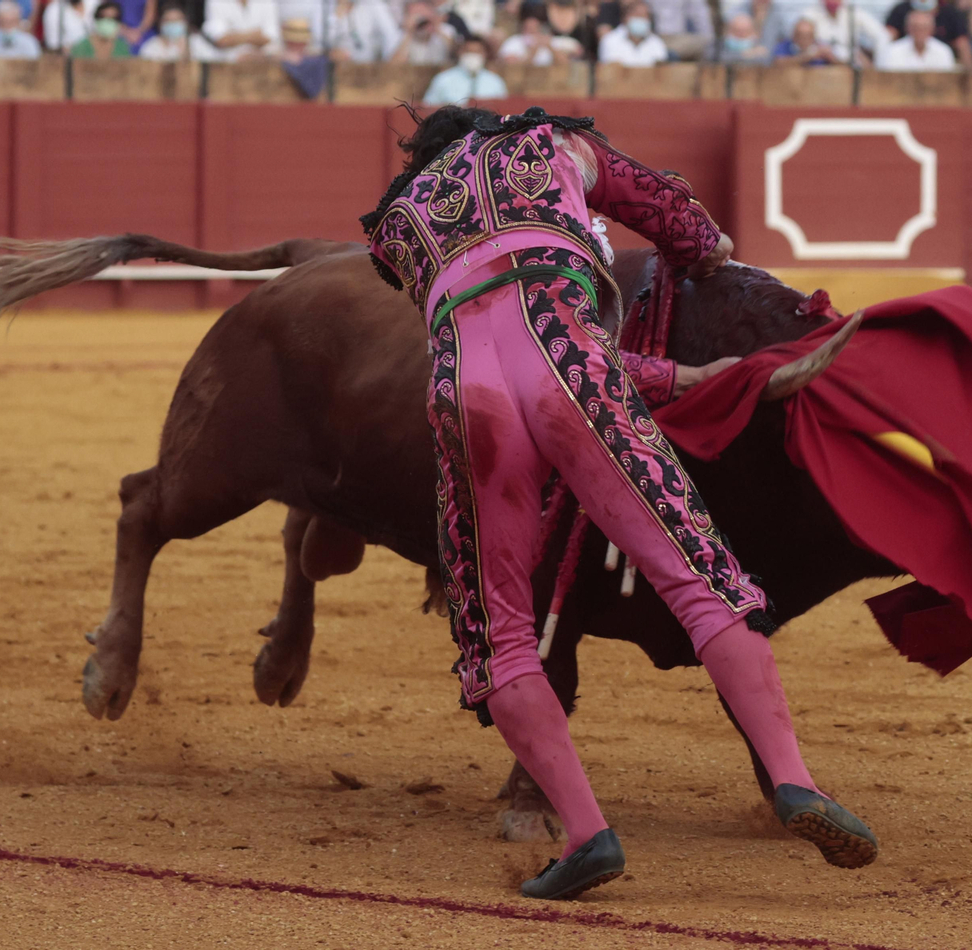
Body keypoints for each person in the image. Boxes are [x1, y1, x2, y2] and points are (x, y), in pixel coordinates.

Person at [361, 105, 879, 900]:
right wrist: (705, 251)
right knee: (699, 579)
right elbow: (664, 215)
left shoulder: (398, 218)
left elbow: (478, 319)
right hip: (574, 367)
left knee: (501, 635)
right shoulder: (550, 143)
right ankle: (792, 781)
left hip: (463, 396)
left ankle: (586, 835)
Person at [883, 0, 972, 65]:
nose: (919, 32)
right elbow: (887, 37)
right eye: (916, 27)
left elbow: (962, 43)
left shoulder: (943, 51)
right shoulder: (900, 9)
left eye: (923, 28)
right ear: (908, 28)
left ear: (932, 29)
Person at [800, 0, 891, 63]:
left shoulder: (854, 13)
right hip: (817, 65)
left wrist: (878, 64)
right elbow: (801, 43)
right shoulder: (810, 14)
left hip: (849, 65)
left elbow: (881, 35)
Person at [421, 35, 507, 101]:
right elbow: (428, 109)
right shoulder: (443, 80)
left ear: (485, 54)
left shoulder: (495, 82)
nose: (472, 55)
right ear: (459, 52)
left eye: (477, 52)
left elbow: (504, 111)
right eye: (468, 51)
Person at [202, 0, 282, 58]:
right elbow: (221, 40)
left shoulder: (268, 2)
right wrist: (255, 35)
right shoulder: (216, 2)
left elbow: (271, 37)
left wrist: (234, 36)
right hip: (227, 63)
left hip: (262, 59)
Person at [322, 0, 399, 61]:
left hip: (367, 68)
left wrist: (387, 62)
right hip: (335, 68)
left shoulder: (374, 4)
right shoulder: (326, 7)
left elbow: (392, 36)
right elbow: (322, 43)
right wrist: (336, 17)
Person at [597, 0, 670, 62]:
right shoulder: (609, 41)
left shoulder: (657, 43)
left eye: (645, 16)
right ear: (625, 17)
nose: (641, 19)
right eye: (638, 15)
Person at [499, 9, 581, 62]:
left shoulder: (553, 41)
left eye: (534, 28)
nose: (532, 31)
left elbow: (569, 59)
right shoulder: (515, 41)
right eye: (529, 28)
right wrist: (531, 54)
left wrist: (550, 47)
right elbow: (509, 64)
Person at [773, 15, 841, 60]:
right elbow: (778, 63)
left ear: (814, 36)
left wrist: (830, 57)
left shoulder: (820, 46)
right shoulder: (784, 46)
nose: (805, 40)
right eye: (801, 35)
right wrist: (808, 56)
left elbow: (844, 66)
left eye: (809, 36)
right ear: (794, 36)